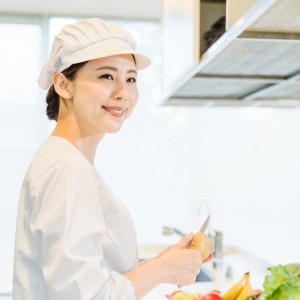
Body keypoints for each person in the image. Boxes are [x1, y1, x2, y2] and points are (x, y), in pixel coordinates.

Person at [13, 18, 209, 299]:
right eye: (106, 76)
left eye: (131, 79)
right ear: (63, 85)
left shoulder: (69, 161)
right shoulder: (66, 169)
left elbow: (89, 278)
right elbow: (85, 296)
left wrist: (161, 263)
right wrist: (163, 271)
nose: (123, 93)